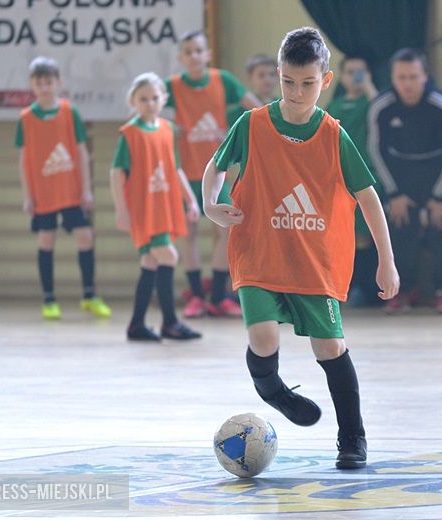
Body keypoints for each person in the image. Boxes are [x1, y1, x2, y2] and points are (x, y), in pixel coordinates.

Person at [202, 27, 399, 469]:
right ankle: (273, 390)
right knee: (263, 335)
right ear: (278, 75)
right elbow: (215, 168)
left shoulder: (333, 135)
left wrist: (386, 260)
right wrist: (210, 205)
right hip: (259, 254)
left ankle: (352, 437)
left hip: (313, 264)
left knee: (329, 349)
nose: (296, 92)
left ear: (325, 81)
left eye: (307, 83)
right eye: (288, 82)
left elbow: (368, 196)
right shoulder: (251, 125)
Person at [166, 30, 261, 319]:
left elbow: (255, 108)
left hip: (216, 172)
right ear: (181, 58)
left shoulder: (223, 81)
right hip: (185, 172)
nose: (194, 56)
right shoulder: (171, 87)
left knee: (226, 230)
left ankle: (218, 296)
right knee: (189, 233)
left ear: (207, 55)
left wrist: (237, 133)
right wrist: (168, 122)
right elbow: (155, 117)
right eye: (188, 51)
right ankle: (196, 296)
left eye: (199, 50)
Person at [16, 56, 112, 320]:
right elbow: (24, 159)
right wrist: (28, 196)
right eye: (39, 82)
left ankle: (89, 295)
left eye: (49, 81)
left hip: (70, 190)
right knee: (46, 241)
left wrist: (86, 188)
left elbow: (81, 152)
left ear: (58, 83)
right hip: (43, 193)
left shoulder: (70, 112)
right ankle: (49, 299)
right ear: (32, 85)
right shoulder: (26, 118)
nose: (45, 87)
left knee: (85, 237)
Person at [368, 48, 442, 314]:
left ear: (425, 77)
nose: (407, 83)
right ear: (393, 78)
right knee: (398, 229)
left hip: (438, 176)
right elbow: (375, 152)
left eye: (413, 77)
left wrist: (439, 197)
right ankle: (404, 289)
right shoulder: (381, 106)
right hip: (400, 178)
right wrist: (393, 193)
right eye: (401, 77)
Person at [110, 72, 202, 342]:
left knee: (150, 261)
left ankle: (136, 325)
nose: (150, 103)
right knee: (169, 256)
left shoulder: (167, 129)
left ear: (163, 99)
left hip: (164, 203)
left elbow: (174, 169)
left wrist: (191, 199)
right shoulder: (129, 133)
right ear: (133, 101)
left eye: (154, 97)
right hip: (143, 207)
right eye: (143, 99)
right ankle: (170, 323)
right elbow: (117, 172)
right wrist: (121, 209)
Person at [326, 56, 381, 306]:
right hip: (340, 177)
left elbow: (379, 112)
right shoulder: (335, 106)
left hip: (368, 172)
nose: (355, 76)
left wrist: (369, 86)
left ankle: (371, 289)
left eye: (361, 71)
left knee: (368, 232)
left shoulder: (372, 102)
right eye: (350, 72)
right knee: (346, 233)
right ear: (341, 76)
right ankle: (351, 286)